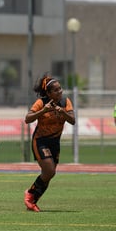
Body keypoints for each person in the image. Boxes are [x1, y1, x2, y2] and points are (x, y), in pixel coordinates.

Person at [23, 74, 75, 212]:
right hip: (40, 141)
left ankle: (33, 201)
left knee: (50, 174)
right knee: (49, 170)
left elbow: (72, 120)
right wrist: (43, 110)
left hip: (55, 142)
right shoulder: (41, 102)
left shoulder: (65, 102)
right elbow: (27, 119)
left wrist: (62, 112)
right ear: (48, 93)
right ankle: (29, 194)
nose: (60, 92)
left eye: (60, 89)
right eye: (56, 90)